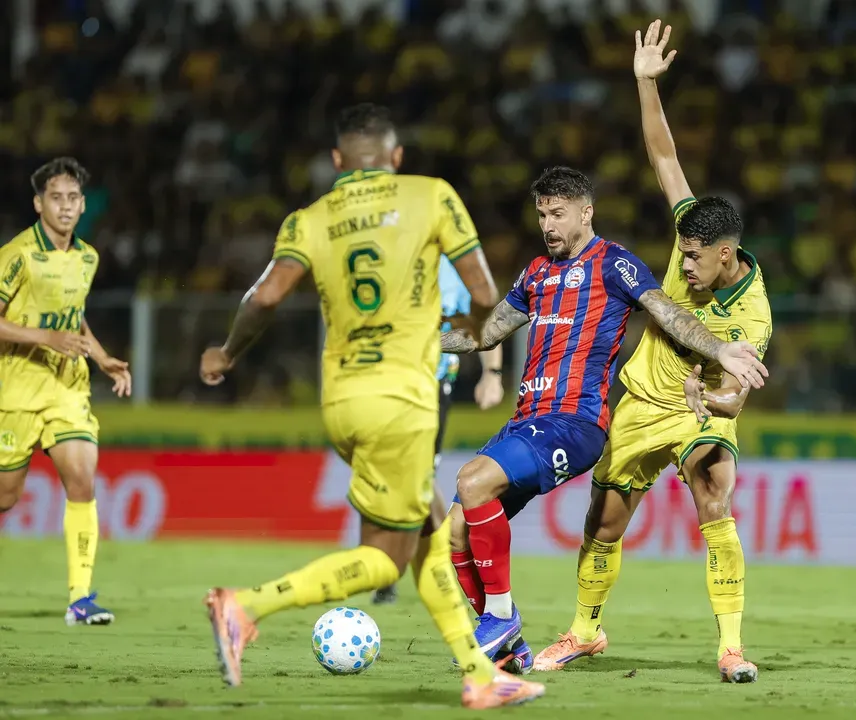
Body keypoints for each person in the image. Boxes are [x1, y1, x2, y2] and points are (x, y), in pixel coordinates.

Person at [198, 103, 545, 709]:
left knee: (430, 530)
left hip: (342, 400)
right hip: (402, 399)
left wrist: (227, 352)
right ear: (397, 156)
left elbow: (266, 296)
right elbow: (485, 291)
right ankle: (245, 605)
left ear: (338, 160)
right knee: (386, 560)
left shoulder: (310, 217)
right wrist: (472, 332)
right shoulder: (431, 195)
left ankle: (480, 675)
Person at [440, 165, 769, 672]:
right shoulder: (535, 273)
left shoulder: (615, 264)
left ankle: (503, 618)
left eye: (558, 213)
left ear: (586, 212)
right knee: (455, 532)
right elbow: (485, 332)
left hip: (574, 421)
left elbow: (669, 313)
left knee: (471, 480)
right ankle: (510, 647)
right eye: (541, 214)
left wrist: (720, 350)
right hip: (530, 419)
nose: (547, 225)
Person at [532, 21, 773, 684]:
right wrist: (645, 84)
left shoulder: (752, 315)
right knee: (603, 523)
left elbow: (736, 399)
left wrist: (709, 399)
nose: (683, 266)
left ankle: (731, 648)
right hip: (640, 401)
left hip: (699, 413)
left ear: (726, 254)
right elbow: (665, 157)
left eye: (694, 259)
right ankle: (585, 632)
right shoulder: (692, 230)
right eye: (681, 254)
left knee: (715, 494)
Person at [0, 157, 132, 626]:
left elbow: (73, 316)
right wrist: (45, 338)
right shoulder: (17, 255)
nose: (66, 206)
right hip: (16, 391)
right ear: (39, 204)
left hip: (67, 388)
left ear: (83, 205)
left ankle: (80, 599)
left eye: (73, 198)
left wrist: (101, 357)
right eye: (56, 198)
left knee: (82, 479)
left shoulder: (87, 257)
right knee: (6, 498)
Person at [371, 255, 504, 606]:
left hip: (429, 386)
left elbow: (484, 323)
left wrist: (491, 375)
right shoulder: (384, 258)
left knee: (417, 478)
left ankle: (434, 557)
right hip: (385, 386)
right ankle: (409, 559)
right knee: (396, 480)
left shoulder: (453, 270)